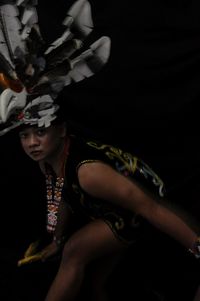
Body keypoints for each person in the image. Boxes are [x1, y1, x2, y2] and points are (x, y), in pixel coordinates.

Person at [12, 99, 200, 301]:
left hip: (140, 212)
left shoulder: (88, 173)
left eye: (40, 132)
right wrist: (57, 239)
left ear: (61, 130)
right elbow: (65, 194)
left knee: (75, 250)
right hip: (112, 210)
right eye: (24, 136)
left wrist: (197, 245)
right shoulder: (48, 161)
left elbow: (151, 206)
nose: (32, 143)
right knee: (98, 283)